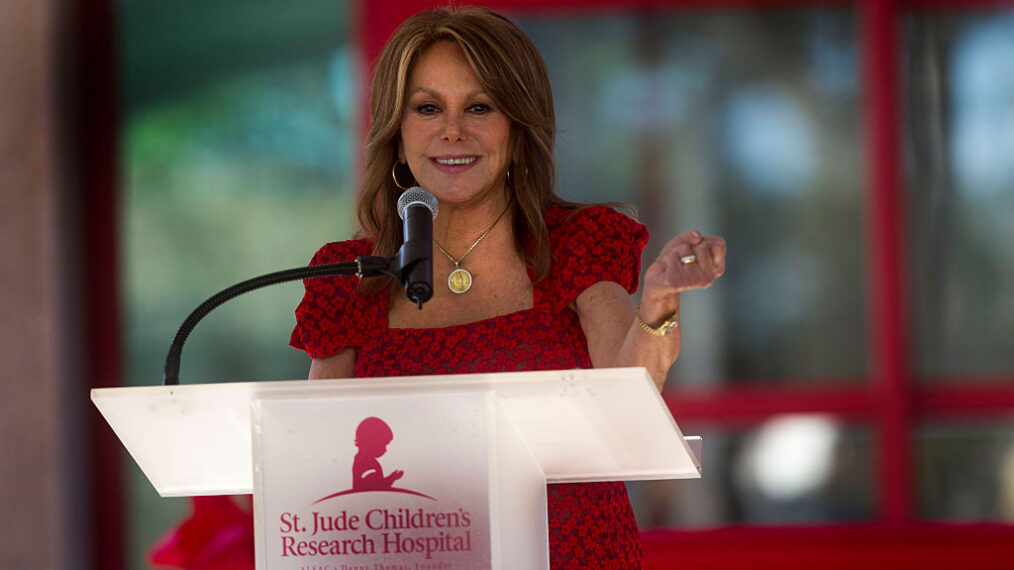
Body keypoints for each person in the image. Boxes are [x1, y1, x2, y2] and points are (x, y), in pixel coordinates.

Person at [150, 6, 725, 569]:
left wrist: (656, 304)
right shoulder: (352, 276)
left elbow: (626, 399)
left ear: (518, 127)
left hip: (573, 553)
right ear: (397, 132)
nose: (453, 130)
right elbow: (313, 451)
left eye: (480, 107)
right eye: (427, 108)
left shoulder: (576, 244)